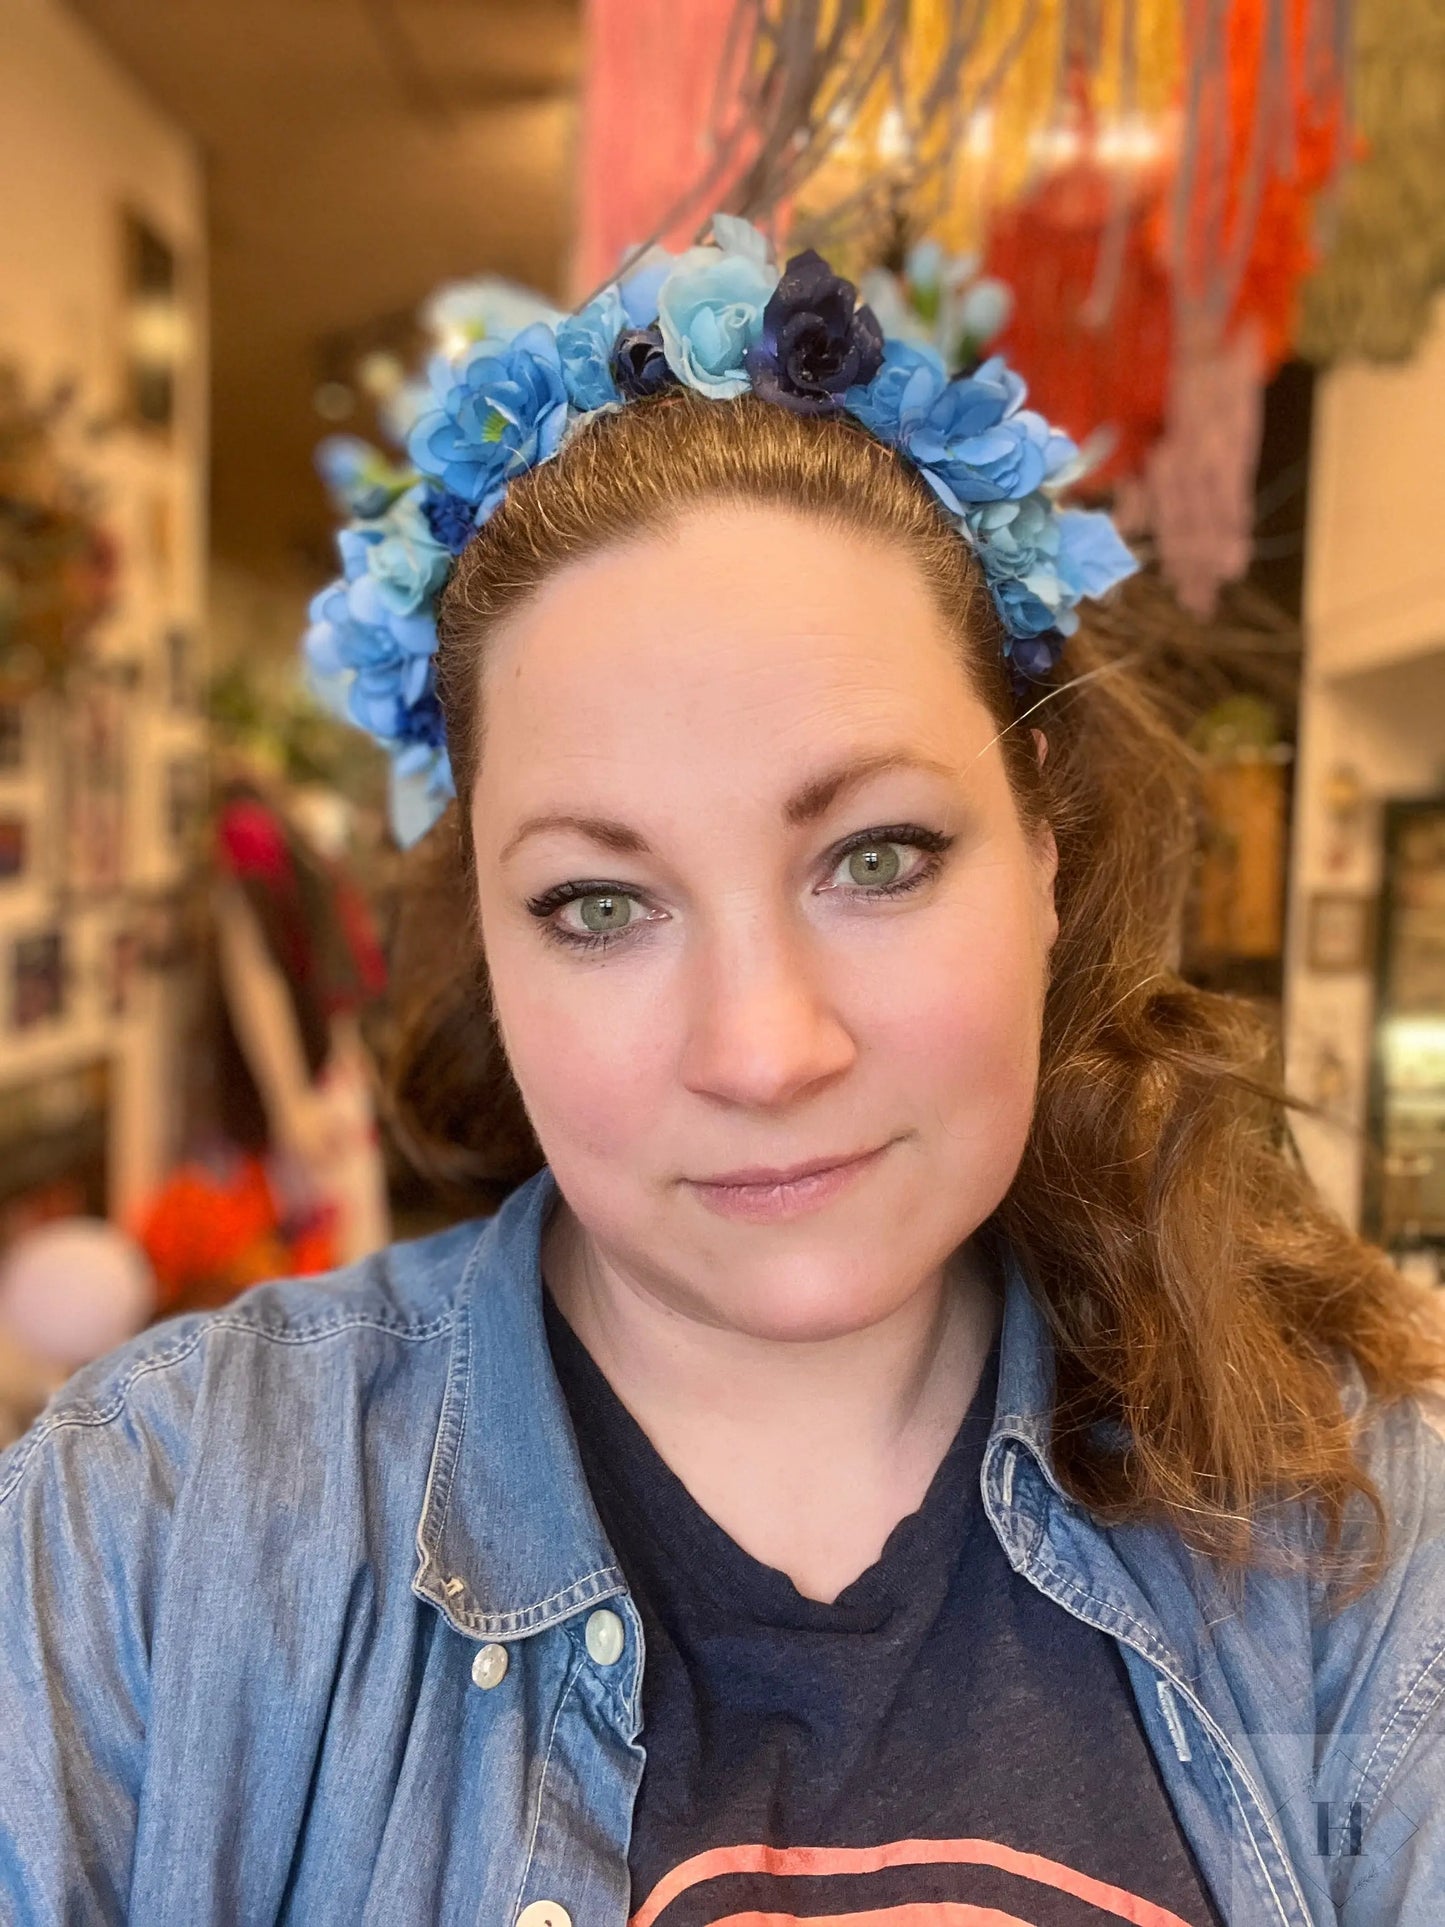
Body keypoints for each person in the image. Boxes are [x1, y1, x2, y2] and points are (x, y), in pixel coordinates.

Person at [3, 222, 1444, 1927]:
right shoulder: (149, 1528)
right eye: (600, 905)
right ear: (487, 935)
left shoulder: (1354, 1531)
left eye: (878, 858)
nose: (763, 1052)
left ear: (1045, 857)